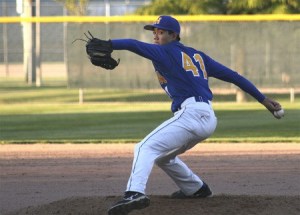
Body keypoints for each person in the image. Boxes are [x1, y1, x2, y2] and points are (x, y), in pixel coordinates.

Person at [106, 15, 282, 215]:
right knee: (163, 157)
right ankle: (196, 188)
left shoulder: (166, 51)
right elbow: (234, 76)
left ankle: (134, 193)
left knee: (144, 147)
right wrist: (263, 99)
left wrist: (110, 44)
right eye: (154, 31)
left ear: (174, 35)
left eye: (160, 31)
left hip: (191, 114)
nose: (155, 34)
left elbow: (133, 44)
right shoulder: (198, 56)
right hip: (207, 117)